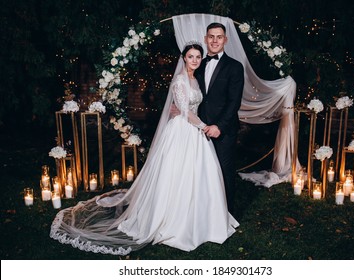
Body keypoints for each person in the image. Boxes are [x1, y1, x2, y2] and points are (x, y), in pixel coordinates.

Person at [50, 42, 239, 255]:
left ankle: (202, 219)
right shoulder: (179, 81)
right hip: (183, 131)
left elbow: (194, 107)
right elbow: (185, 111)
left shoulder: (196, 80)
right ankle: (171, 220)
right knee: (177, 174)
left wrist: (200, 125)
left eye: (197, 57)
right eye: (190, 56)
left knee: (199, 175)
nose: (194, 60)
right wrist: (204, 126)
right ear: (184, 58)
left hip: (194, 131)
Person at [196, 22, 245, 214]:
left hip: (223, 131)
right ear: (205, 38)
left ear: (225, 40)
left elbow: (234, 102)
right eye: (211, 36)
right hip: (198, 129)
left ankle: (226, 215)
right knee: (202, 173)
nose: (214, 40)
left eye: (219, 37)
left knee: (224, 172)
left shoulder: (234, 67)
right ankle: (204, 213)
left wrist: (219, 126)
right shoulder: (197, 64)